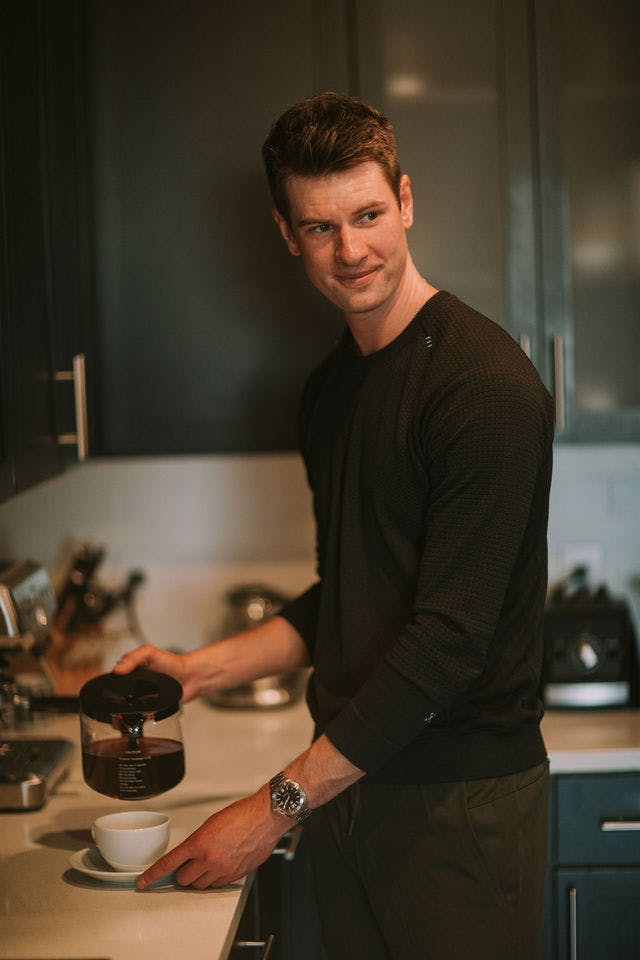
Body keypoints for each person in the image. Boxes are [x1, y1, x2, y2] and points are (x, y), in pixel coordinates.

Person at [115, 92, 554, 959]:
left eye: (368, 214)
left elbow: (444, 645)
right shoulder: (329, 393)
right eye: (320, 227)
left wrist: (271, 808)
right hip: (349, 786)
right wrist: (198, 672)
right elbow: (350, 598)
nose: (350, 250)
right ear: (287, 233)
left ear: (406, 201)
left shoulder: (483, 387)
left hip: (458, 810)